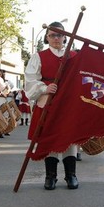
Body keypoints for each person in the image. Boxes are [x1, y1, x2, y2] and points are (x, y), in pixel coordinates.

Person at [25, 21, 78, 190]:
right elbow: (31, 79)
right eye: (53, 35)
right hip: (48, 101)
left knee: (69, 137)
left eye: (60, 35)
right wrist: (44, 88)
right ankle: (51, 176)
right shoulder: (38, 57)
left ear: (65, 37)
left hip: (68, 102)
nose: (56, 38)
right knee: (49, 136)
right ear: (47, 38)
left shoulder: (74, 56)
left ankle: (71, 175)